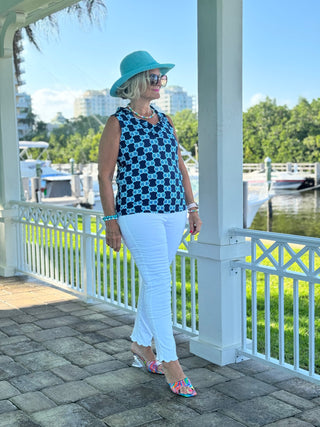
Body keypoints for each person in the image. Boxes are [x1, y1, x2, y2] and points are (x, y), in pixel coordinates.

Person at [98, 50, 202, 397]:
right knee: (160, 281)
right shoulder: (118, 123)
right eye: (154, 78)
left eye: (162, 78)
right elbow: (105, 175)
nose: (160, 83)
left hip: (173, 211)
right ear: (137, 83)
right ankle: (171, 361)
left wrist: (192, 206)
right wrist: (111, 222)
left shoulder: (167, 121)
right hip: (137, 213)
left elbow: (180, 167)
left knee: (154, 281)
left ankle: (141, 345)